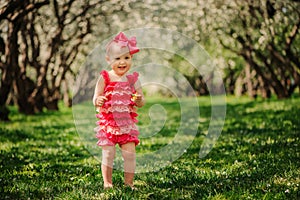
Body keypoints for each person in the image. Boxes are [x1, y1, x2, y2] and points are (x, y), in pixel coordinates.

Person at [93, 32, 145, 189]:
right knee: (108, 154)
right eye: (117, 58)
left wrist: (139, 100)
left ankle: (129, 183)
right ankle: (107, 183)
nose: (122, 62)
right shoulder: (105, 78)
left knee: (129, 155)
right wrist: (98, 100)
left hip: (126, 125)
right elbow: (95, 97)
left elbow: (142, 100)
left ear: (131, 59)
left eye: (126, 58)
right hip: (109, 124)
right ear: (108, 60)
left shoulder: (133, 80)